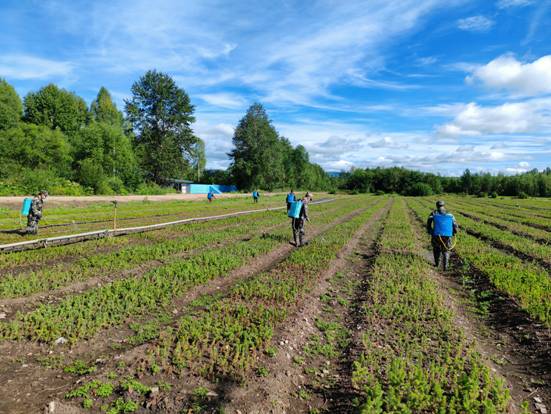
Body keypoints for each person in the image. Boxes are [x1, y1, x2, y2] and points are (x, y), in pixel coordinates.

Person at [426, 200, 458, 271]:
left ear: (437, 206)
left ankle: (437, 264)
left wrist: (431, 231)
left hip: (436, 235)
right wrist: (454, 232)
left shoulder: (433, 213)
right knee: (446, 250)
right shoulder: (450, 214)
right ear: (444, 205)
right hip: (447, 236)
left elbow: (428, 224)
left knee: (436, 249)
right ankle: (445, 267)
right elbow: (455, 225)